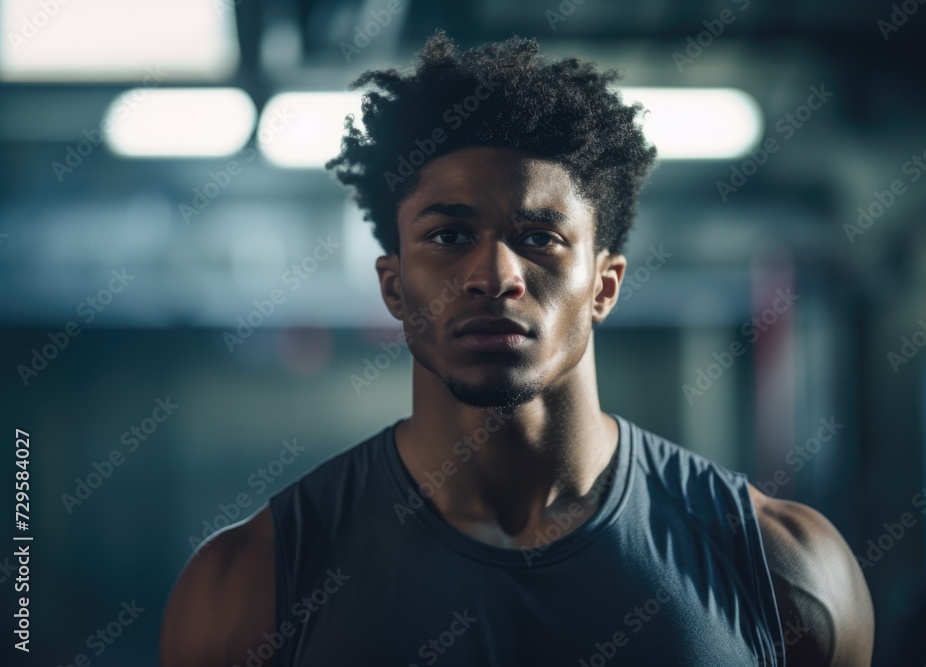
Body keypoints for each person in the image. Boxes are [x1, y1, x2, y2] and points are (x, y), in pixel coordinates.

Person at [160, 31, 874, 666]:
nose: (495, 275)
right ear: (394, 287)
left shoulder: (788, 572)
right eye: (448, 235)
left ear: (605, 284)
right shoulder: (248, 585)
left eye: (540, 238)